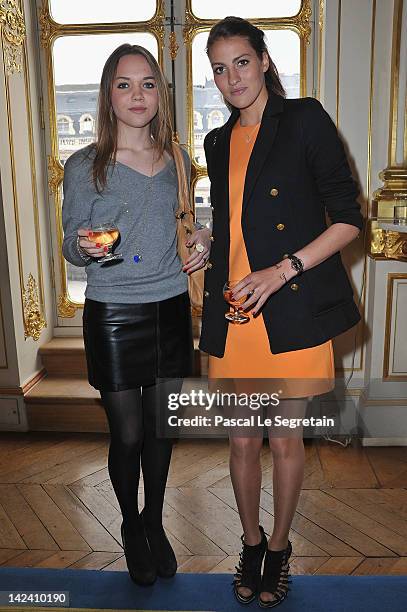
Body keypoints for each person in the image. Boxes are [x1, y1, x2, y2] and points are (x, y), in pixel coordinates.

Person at [199, 17, 363, 608]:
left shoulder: (304, 120)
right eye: (219, 68)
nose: (231, 77)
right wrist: (207, 246)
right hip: (238, 308)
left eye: (241, 62)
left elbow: (348, 218)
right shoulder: (218, 141)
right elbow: (236, 223)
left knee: (286, 440)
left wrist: (284, 269)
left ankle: (281, 548)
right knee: (243, 440)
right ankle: (249, 544)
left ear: (265, 61)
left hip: (289, 307)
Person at [62, 44, 211, 586]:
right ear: (108, 94)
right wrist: (83, 246)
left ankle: (155, 520)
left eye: (148, 84)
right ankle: (130, 525)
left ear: (160, 93)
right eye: (124, 85)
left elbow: (189, 221)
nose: (137, 95)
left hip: (171, 306)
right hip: (114, 314)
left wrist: (203, 238)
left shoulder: (178, 158)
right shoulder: (84, 165)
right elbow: (70, 246)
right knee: (127, 434)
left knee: (161, 430)